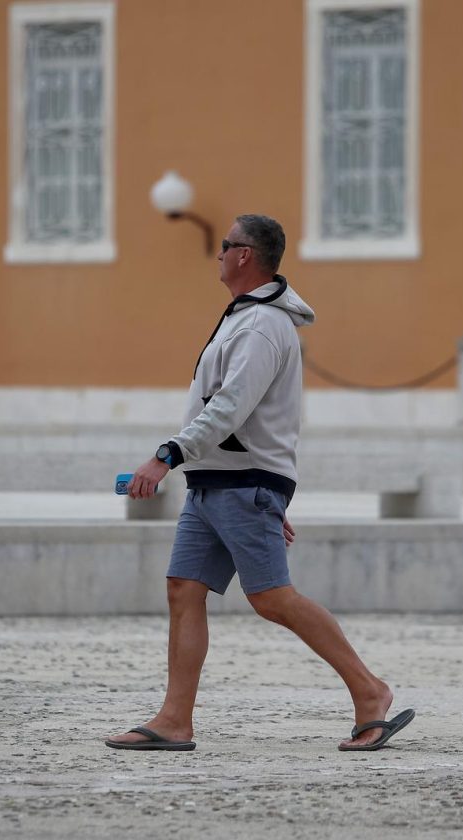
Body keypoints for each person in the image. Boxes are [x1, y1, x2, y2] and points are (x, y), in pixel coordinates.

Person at [104, 214, 414, 752]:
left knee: (272, 598)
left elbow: (230, 407)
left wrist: (166, 456)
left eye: (225, 246)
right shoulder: (245, 318)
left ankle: (370, 692)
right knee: (183, 590)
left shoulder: (261, 325)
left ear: (244, 254)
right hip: (217, 483)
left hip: (240, 483)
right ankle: (174, 720)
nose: (219, 254)